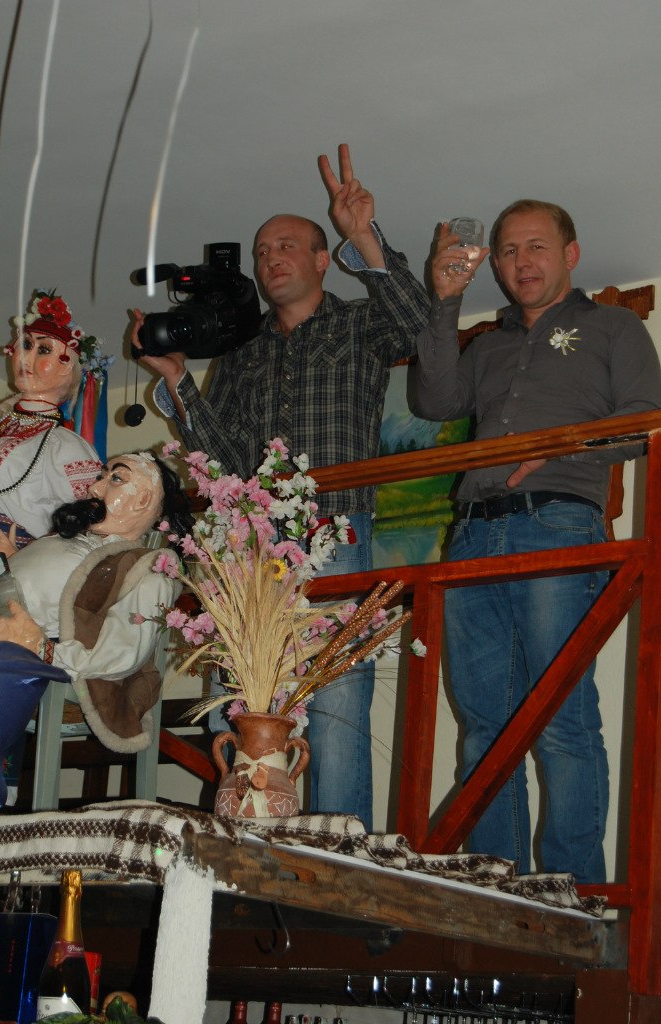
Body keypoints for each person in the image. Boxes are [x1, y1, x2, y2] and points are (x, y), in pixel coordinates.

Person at [130, 144, 430, 830]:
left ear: (323, 260)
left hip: (338, 534)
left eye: (287, 245)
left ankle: (343, 862)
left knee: (339, 702)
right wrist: (176, 379)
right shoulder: (242, 351)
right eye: (263, 250)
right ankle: (246, 852)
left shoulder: (358, 324)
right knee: (244, 698)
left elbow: (420, 324)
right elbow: (222, 457)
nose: (271, 258)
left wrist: (365, 235)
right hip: (252, 553)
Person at [410, 200, 661, 882]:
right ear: (495, 264)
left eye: (536, 246)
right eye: (509, 251)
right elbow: (433, 402)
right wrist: (444, 303)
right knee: (483, 728)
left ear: (570, 254)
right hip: (471, 536)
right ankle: (500, 891)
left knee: (561, 720)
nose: (522, 261)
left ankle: (575, 898)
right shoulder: (486, 345)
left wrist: (560, 449)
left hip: (559, 526)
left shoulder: (613, 326)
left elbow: (646, 420)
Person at [0, 451, 192, 814]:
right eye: (101, 475)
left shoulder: (148, 568)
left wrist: (42, 648)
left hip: (31, 652)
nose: (94, 487)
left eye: (116, 478)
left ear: (143, 499)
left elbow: (123, 654)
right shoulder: (58, 541)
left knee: (2, 663)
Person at [0, 289, 104, 580]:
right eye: (25, 344)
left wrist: (22, 559)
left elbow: (91, 532)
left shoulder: (65, 445)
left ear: (67, 367)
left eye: (44, 349)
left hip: (4, 571)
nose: (27, 356)